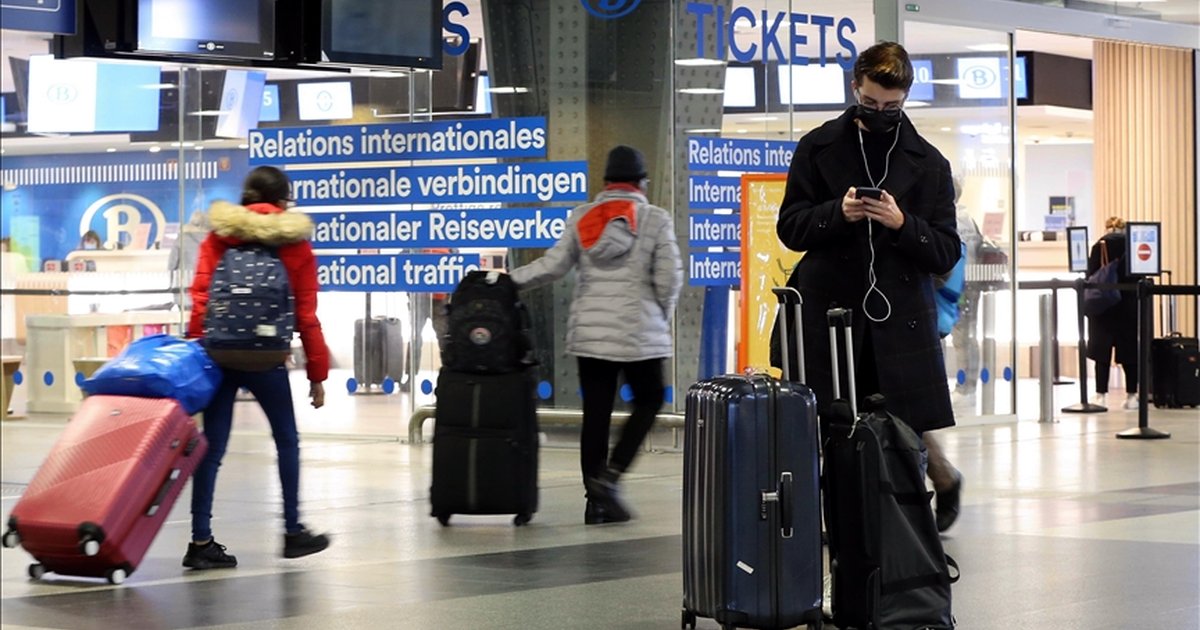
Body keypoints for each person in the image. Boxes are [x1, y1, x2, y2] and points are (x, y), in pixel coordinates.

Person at [773, 42, 964, 532]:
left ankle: (904, 538)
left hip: (898, 318)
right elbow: (790, 227)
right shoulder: (817, 147)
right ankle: (840, 530)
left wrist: (903, 223)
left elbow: (945, 250)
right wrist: (836, 212)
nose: (880, 114)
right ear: (855, 86)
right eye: (872, 104)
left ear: (905, 100)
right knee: (830, 427)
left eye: (892, 108)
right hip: (829, 316)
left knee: (902, 433)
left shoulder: (929, 163)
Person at [509, 145, 682, 525]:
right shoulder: (654, 219)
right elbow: (670, 279)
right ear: (642, 182)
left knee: (596, 416)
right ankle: (612, 476)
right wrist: (659, 315)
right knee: (650, 400)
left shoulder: (582, 217)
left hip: (590, 334)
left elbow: (552, 266)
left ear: (605, 182)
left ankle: (595, 501)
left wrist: (508, 282)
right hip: (640, 334)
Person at [183, 166, 332, 569]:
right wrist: (318, 375)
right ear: (284, 201)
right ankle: (293, 531)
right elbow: (307, 316)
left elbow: (200, 298)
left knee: (210, 448)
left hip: (220, 355)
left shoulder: (218, 237)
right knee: (286, 440)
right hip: (267, 359)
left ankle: (200, 541)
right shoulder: (295, 244)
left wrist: (199, 351)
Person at [1086, 216, 1139, 410]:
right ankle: (1132, 395)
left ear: (1107, 228)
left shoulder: (1099, 246)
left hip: (1103, 306)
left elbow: (1090, 274)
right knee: (1129, 352)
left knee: (1102, 352)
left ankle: (1101, 395)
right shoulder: (1133, 247)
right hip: (1128, 305)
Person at [948, 177, 984, 408]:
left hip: (954, 287)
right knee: (966, 335)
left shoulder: (952, 218)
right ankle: (967, 385)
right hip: (969, 284)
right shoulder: (968, 217)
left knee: (961, 337)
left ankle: (965, 386)